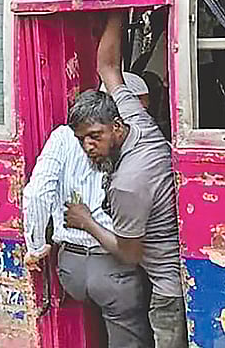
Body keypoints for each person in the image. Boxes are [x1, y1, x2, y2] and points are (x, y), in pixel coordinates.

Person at [65, 12, 185, 348]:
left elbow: (130, 254)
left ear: (115, 127)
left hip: (167, 289)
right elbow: (107, 67)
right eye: (82, 139)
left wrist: (85, 221)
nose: (89, 146)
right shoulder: (138, 123)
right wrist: (118, 8)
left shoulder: (127, 183)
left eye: (95, 136)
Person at [22, 71, 156, 348]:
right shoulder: (125, 141)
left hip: (71, 270)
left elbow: (36, 193)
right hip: (114, 268)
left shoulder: (61, 137)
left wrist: (36, 247)